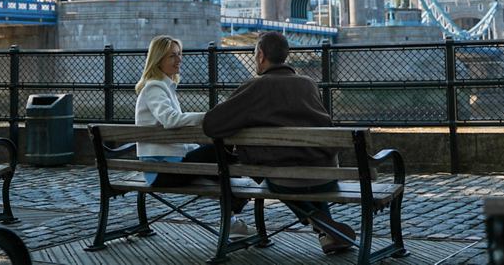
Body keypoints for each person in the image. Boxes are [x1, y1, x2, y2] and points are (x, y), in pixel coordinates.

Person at [202, 31, 357, 255]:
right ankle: (326, 231)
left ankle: (323, 226)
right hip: (327, 174)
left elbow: (212, 124)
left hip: (285, 178)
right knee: (299, 164)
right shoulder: (308, 84)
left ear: (261, 55)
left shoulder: (256, 87)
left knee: (278, 172)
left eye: (255, 53)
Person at [134, 35, 250, 235]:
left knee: (217, 159)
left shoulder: (164, 87)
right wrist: (207, 117)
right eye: (172, 56)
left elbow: (175, 136)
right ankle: (237, 201)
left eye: (179, 55)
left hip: (167, 165)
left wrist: (196, 148)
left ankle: (232, 213)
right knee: (218, 154)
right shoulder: (155, 87)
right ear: (158, 59)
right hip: (161, 171)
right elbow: (170, 119)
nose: (179, 60)